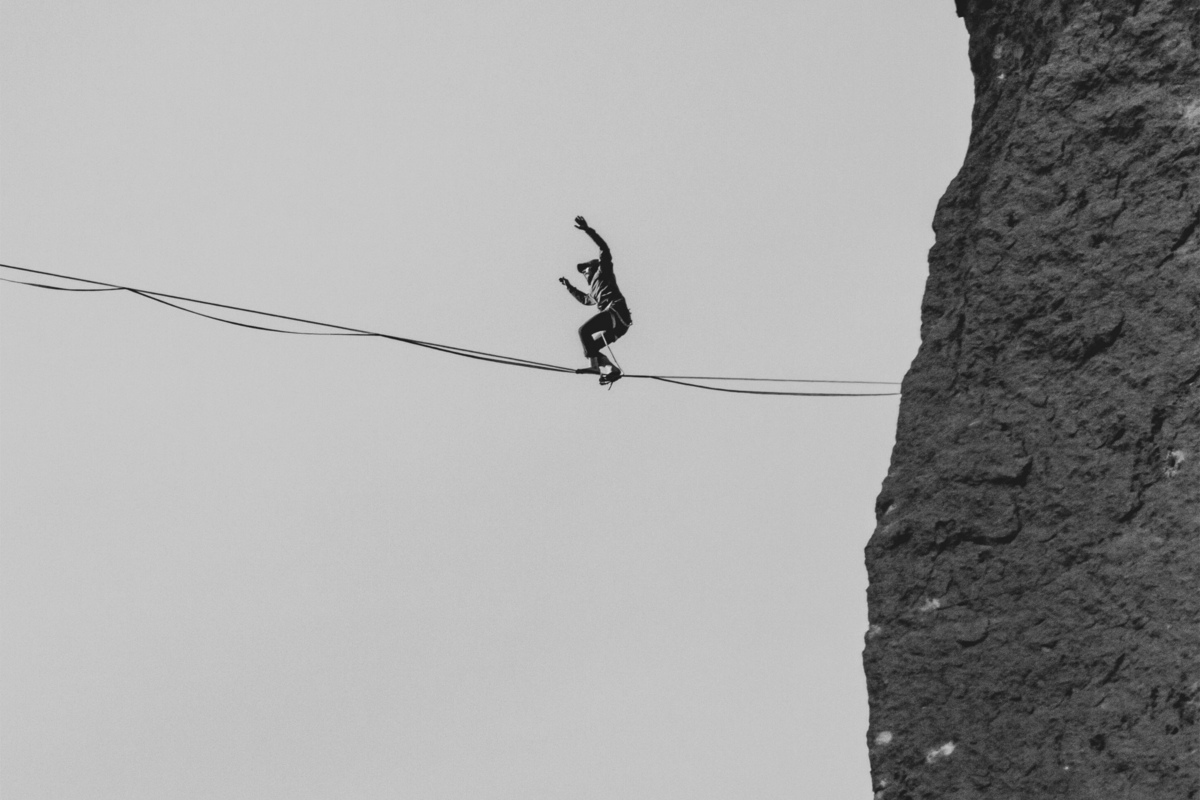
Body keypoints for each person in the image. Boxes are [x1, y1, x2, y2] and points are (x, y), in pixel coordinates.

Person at [559, 216, 633, 385]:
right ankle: (611, 369)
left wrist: (587, 230)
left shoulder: (603, 271)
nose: (584, 274)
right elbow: (585, 300)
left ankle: (594, 366)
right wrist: (569, 287)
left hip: (616, 311)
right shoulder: (593, 291)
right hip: (619, 326)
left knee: (583, 331)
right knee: (589, 349)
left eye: (585, 270)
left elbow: (604, 247)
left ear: (593, 268)